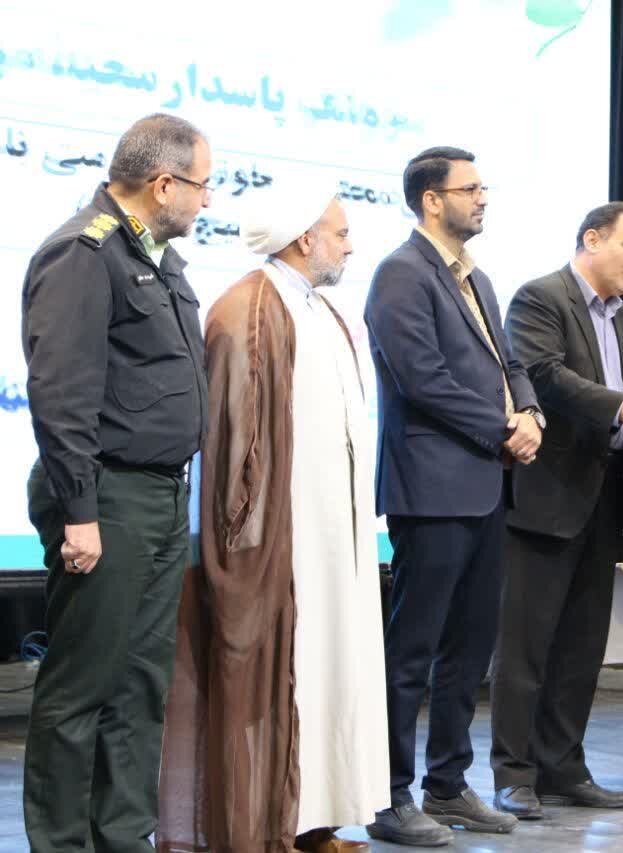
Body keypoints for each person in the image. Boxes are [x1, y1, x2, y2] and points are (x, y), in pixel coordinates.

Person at [159, 185, 388, 852]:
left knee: (327, 680)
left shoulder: (320, 310)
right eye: (339, 232)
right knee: (279, 680)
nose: (349, 245)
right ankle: (261, 830)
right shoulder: (249, 309)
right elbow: (237, 450)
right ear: (303, 238)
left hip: (336, 550)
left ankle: (312, 824)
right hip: (281, 551)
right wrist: (248, 548)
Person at [21, 113, 210, 852]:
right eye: (201, 185)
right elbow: (61, 391)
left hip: (161, 495)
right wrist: (80, 511)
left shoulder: (160, 260)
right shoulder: (83, 252)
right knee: (82, 688)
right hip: (106, 495)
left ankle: (124, 838)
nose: (206, 200)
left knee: (140, 687)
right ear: (163, 184)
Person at [363, 147, 542, 844]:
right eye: (470, 188)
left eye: (483, 186)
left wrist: (531, 412)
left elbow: (510, 362)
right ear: (432, 200)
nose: (482, 197)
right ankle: (388, 794)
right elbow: (422, 378)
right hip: (431, 489)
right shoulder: (401, 273)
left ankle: (447, 784)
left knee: (468, 650)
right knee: (412, 651)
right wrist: (504, 426)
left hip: (486, 486)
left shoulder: (478, 278)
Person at [490, 202, 623, 819]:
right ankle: (515, 774)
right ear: (591, 240)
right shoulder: (540, 298)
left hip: (604, 500)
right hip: (545, 499)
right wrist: (622, 408)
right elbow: (543, 375)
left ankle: (563, 768)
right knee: (526, 646)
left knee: (581, 647)